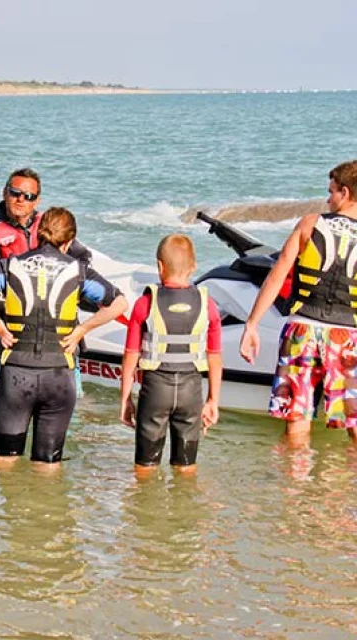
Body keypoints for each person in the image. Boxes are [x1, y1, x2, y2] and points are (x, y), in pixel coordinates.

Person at [0, 207, 127, 467]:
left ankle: (9, 507)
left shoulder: (11, 266)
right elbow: (119, 303)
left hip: (16, 373)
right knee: (48, 465)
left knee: (5, 459)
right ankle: (46, 507)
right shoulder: (79, 271)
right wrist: (82, 330)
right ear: (69, 241)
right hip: (58, 375)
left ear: (38, 234)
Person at [240, 160, 357, 445]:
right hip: (347, 337)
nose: (328, 199)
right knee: (354, 424)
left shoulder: (310, 224)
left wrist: (252, 325)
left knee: (297, 421)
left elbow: (277, 276)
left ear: (345, 192)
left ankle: (295, 487)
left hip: (302, 331)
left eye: (331, 192)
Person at [119, 234, 222, 474]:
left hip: (156, 390)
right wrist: (213, 400)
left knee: (145, 467)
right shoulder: (208, 304)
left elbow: (131, 355)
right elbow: (214, 357)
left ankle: (144, 508)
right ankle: (184, 509)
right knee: (187, 468)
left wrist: (125, 398)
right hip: (191, 391)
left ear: (159, 266)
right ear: (194, 266)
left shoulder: (146, 302)